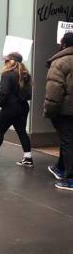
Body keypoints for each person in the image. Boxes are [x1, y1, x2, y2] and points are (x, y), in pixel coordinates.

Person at [44, 32, 73, 191]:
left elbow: (54, 90)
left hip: (65, 111)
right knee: (66, 141)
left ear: (63, 44)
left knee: (67, 142)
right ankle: (60, 168)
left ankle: (70, 179)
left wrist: (49, 110)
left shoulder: (60, 63)